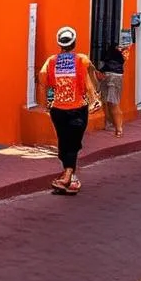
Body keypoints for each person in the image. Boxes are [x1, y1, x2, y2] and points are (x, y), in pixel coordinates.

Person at [39, 27, 101, 194]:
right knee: (72, 144)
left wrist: (48, 102)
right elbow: (88, 82)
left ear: (59, 43)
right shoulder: (81, 60)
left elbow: (43, 81)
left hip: (58, 110)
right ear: (74, 43)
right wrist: (95, 100)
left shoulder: (51, 61)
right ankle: (67, 177)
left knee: (64, 143)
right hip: (78, 109)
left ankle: (71, 181)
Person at [99, 42, 127, 138]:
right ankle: (116, 126)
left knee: (109, 102)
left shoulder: (109, 54)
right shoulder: (121, 55)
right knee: (110, 102)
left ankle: (116, 127)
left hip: (109, 76)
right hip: (113, 76)